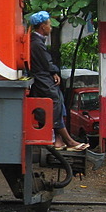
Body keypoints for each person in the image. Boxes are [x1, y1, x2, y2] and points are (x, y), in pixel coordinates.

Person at [28, 11, 89, 151]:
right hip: (43, 80)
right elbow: (46, 63)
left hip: (44, 78)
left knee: (58, 104)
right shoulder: (37, 44)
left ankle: (60, 141)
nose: (51, 28)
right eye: (49, 25)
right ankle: (69, 141)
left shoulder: (36, 41)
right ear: (43, 26)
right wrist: (54, 71)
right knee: (54, 105)